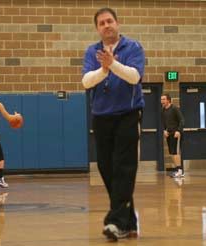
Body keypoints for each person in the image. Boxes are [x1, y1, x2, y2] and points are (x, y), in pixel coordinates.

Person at [82, 7, 145, 241]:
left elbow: (134, 76)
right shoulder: (92, 51)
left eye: (109, 21)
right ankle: (129, 221)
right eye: (101, 23)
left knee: (123, 167)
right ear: (97, 28)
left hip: (128, 114)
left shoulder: (133, 48)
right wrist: (104, 68)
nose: (106, 25)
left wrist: (113, 65)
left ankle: (115, 222)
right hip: (101, 116)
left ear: (117, 24)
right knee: (106, 167)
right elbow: (87, 81)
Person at [160, 94, 185, 178]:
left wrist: (178, 130)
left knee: (176, 152)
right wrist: (164, 130)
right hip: (169, 134)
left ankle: (180, 171)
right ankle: (177, 170)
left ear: (168, 100)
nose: (162, 101)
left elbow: (182, 120)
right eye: (161, 99)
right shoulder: (163, 110)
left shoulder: (174, 108)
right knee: (171, 153)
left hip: (176, 134)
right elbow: (163, 122)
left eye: (163, 99)